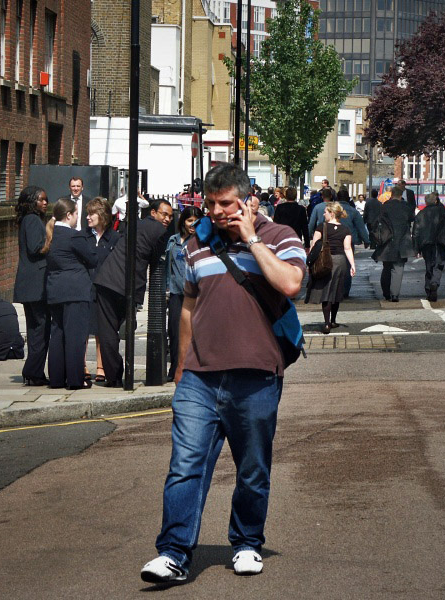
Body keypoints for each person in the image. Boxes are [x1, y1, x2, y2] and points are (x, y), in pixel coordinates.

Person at [141, 163, 305, 585]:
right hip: (200, 377)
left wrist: (251, 238)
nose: (216, 211)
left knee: (252, 469)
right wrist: (181, 366)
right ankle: (173, 553)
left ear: (249, 200)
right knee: (185, 465)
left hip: (257, 375)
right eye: (210, 204)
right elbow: (189, 308)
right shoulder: (196, 244)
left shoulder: (279, 237)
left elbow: (289, 284)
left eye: (225, 203)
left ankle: (247, 542)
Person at [94, 200, 171, 387]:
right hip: (127, 285)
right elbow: (157, 259)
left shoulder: (136, 224)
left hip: (107, 279)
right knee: (123, 328)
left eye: (170, 216)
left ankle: (114, 375)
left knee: (107, 331)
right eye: (164, 214)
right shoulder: (160, 232)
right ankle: (121, 374)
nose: (167, 219)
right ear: (153, 213)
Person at [44, 198, 97, 390]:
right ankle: (75, 380)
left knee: (57, 335)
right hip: (75, 291)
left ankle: (57, 379)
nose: (77, 217)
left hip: (55, 290)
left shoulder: (51, 234)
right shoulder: (74, 236)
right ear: (68, 215)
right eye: (76, 214)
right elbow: (92, 259)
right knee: (75, 337)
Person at [13, 185, 51, 386]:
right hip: (36, 285)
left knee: (36, 329)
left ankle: (33, 371)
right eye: (42, 200)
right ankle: (34, 372)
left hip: (30, 285)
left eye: (46, 199)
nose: (45, 203)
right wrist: (52, 234)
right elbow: (37, 248)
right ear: (32, 202)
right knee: (40, 331)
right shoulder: (33, 220)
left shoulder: (28, 220)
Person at [305, 202, 356, 333]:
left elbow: (314, 246)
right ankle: (333, 320)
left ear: (332, 213)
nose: (323, 214)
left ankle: (326, 323)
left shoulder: (321, 227)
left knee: (326, 293)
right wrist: (352, 265)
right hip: (340, 262)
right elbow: (347, 248)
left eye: (326, 212)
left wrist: (309, 263)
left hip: (324, 261)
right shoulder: (346, 229)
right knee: (337, 292)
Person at [165, 206, 203, 381]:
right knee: (174, 332)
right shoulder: (173, 241)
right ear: (183, 222)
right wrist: (166, 288)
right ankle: (175, 368)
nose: (192, 224)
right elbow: (168, 267)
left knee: (195, 333)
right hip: (176, 293)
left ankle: (193, 369)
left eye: (196, 220)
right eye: (189, 220)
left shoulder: (202, 242)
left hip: (196, 296)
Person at [86, 197, 118, 383]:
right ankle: (81, 365)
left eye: (92, 214)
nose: (88, 217)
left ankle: (101, 366)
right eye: (88, 214)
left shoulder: (114, 238)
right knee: (82, 330)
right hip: (86, 286)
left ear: (103, 215)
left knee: (101, 331)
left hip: (104, 289)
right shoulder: (84, 236)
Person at [372, 185, 415, 302]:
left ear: (391, 195)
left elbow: (377, 222)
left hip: (387, 241)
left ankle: (386, 293)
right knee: (398, 268)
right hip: (402, 241)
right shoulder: (406, 207)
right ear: (401, 195)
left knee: (386, 267)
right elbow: (411, 218)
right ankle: (395, 294)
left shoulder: (385, 206)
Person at [412, 193, 445, 302]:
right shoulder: (443, 212)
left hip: (426, 243)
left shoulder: (420, 214)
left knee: (429, 265)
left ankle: (428, 288)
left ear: (426, 202)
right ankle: (434, 283)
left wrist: (416, 248)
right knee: (439, 264)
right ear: (435, 201)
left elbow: (416, 232)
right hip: (439, 242)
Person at [336, 188, 370, 298]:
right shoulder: (353, 211)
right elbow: (360, 227)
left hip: (333, 241)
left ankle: (335, 289)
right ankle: (345, 291)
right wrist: (366, 240)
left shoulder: (331, 210)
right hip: (348, 242)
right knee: (347, 266)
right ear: (347, 198)